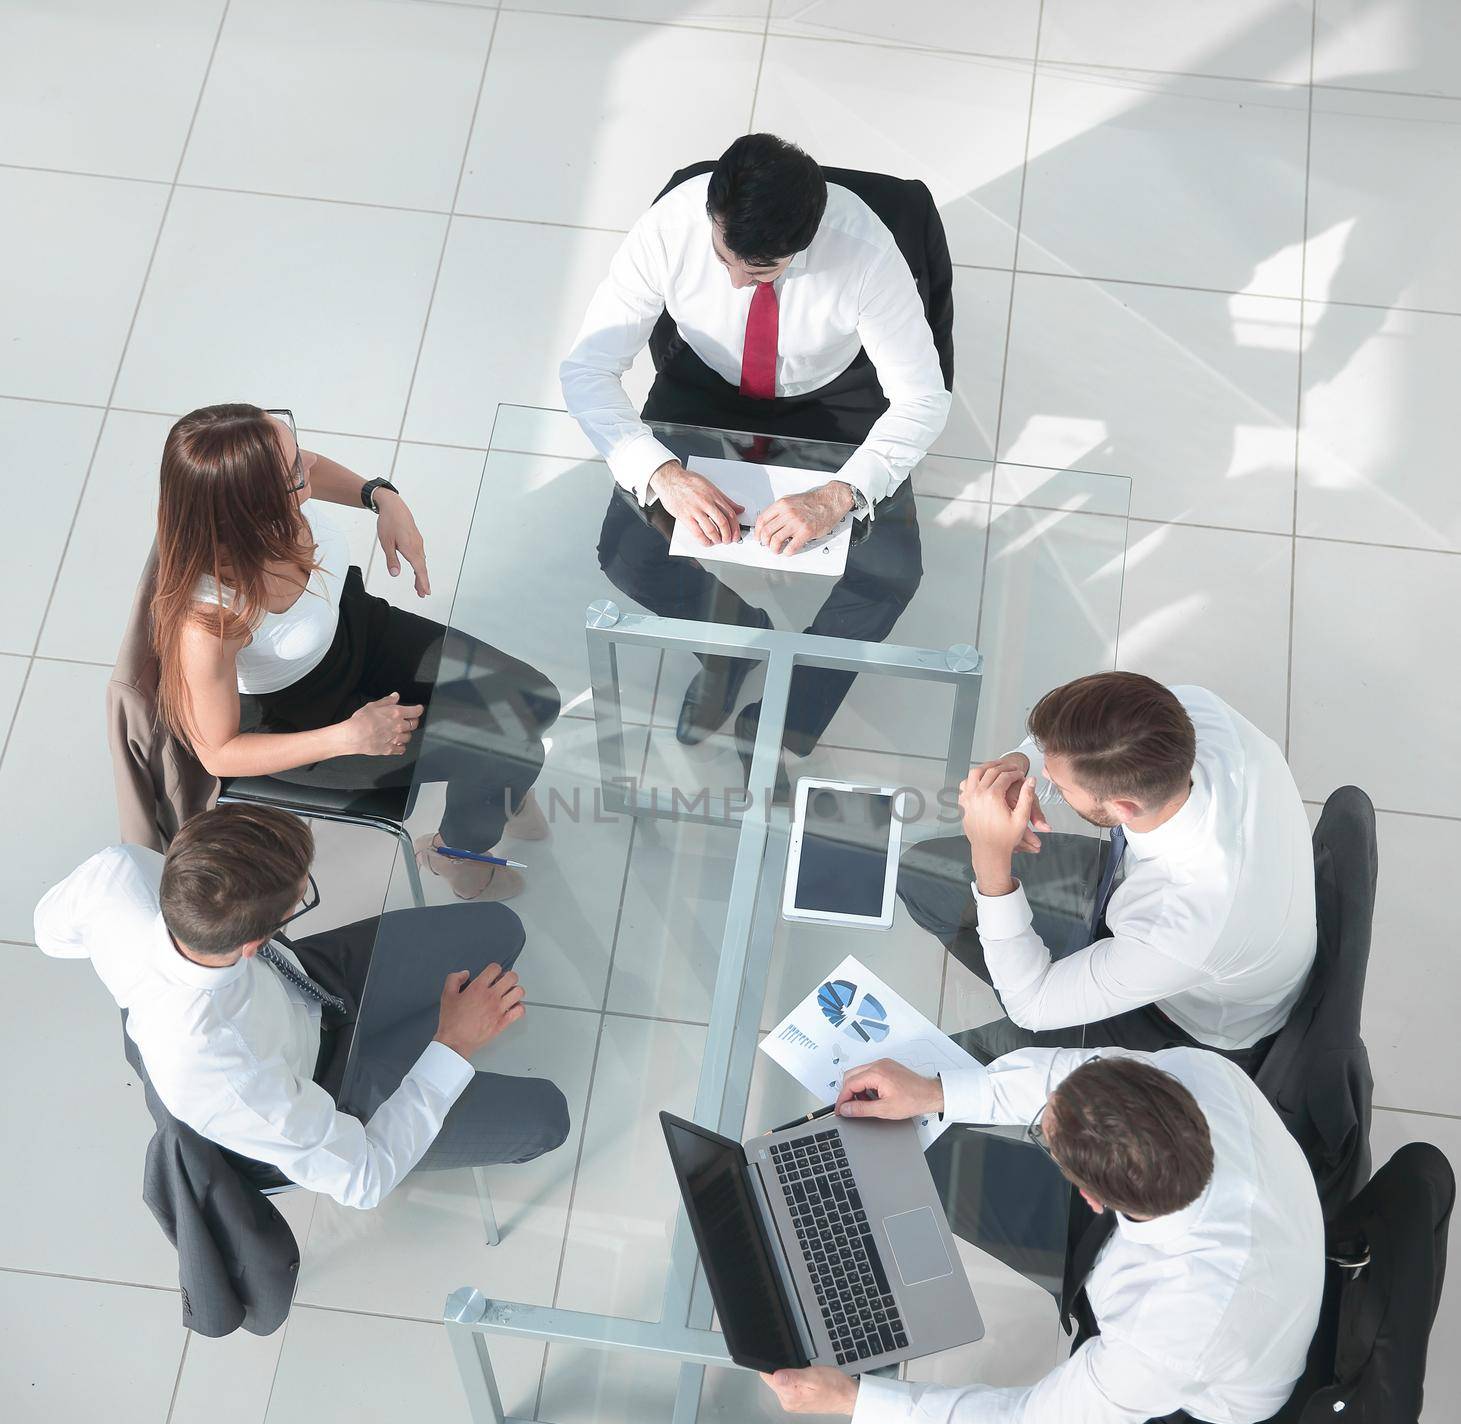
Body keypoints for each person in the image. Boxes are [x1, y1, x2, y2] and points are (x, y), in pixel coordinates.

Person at [761, 1047, 1326, 1424]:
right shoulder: (1198, 1076)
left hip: (1192, 1408)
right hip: (1190, 1283)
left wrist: (854, 1400)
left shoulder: (1176, 1332)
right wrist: (935, 1093)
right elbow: (1070, 1076)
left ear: (1090, 1197)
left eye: (1042, 1139)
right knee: (944, 1160)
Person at [561, 132, 951, 776]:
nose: (738, 281)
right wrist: (659, 471)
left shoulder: (866, 251)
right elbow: (586, 370)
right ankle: (734, 644)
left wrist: (838, 495)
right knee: (627, 555)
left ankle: (787, 718)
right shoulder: (670, 224)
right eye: (726, 259)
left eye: (762, 270)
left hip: (836, 392)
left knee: (890, 577)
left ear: (805, 241)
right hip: (706, 381)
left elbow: (922, 399)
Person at [34, 805, 569, 1208]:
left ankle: (407, 1044)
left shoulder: (120, 875)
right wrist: (452, 1044)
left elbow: (50, 934)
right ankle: (410, 1053)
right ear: (250, 940)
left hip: (307, 982)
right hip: (324, 1092)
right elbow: (364, 1180)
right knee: (548, 1119)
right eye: (302, 895)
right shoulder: (226, 1076)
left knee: (501, 929)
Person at [150, 403, 561, 902]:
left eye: (296, 449)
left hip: (357, 628)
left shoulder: (285, 482)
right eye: (294, 468)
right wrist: (347, 737)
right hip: (308, 719)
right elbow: (216, 753)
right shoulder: (209, 619)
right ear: (252, 503)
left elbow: (319, 469)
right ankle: (457, 856)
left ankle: (493, 796)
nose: (309, 465)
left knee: (536, 700)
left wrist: (381, 497)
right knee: (511, 747)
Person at [898, 672, 1317, 1071]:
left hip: (1175, 1017)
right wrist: (1017, 767)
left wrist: (992, 862)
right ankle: (1037, 970)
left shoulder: (1184, 921)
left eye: (1060, 787)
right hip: (1139, 898)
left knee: (948, 1068)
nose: (1046, 777)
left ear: (1123, 809)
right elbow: (1079, 746)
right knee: (922, 876)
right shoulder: (1197, 712)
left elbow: (1033, 1008)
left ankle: (1039, 978)